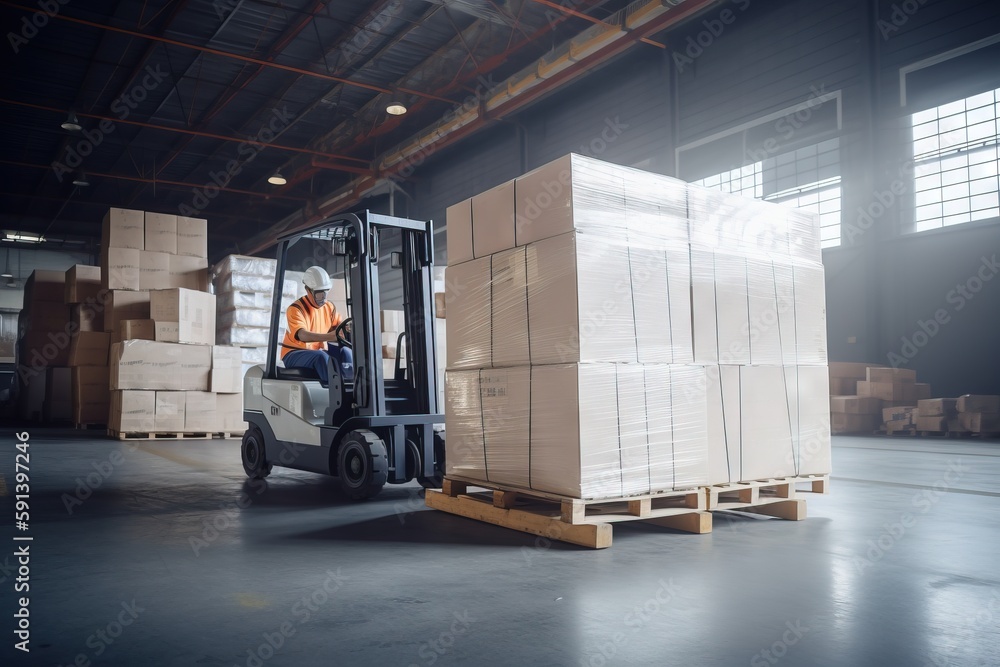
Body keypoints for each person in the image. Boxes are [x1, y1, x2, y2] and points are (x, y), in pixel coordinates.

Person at [280, 266, 353, 384]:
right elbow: (302, 335)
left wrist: (348, 329)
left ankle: (350, 389)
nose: (323, 297)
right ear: (308, 290)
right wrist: (329, 336)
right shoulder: (296, 309)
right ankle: (334, 394)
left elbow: (339, 327)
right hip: (294, 353)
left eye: (326, 292)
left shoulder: (329, 307)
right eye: (319, 294)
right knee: (321, 357)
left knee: (346, 352)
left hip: (317, 351)